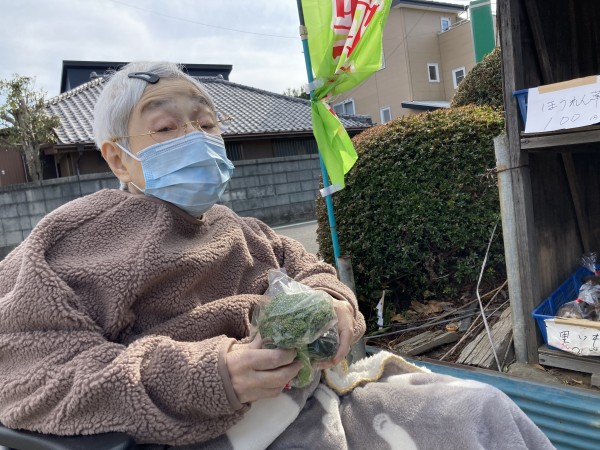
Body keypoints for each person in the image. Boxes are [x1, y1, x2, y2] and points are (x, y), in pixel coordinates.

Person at [0, 62, 554, 450]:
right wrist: (213, 373)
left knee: (484, 410)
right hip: (208, 434)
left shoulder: (242, 228)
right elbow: (31, 373)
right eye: (166, 126)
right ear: (118, 159)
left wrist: (336, 307)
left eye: (207, 123)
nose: (197, 137)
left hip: (314, 400)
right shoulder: (71, 241)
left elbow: (313, 272)